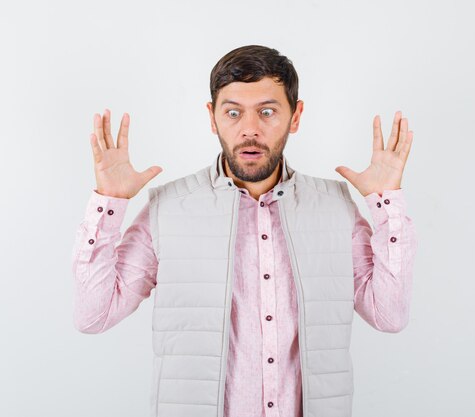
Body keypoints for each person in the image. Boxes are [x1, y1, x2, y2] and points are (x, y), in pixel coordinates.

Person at [71, 44, 417, 417]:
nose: (249, 129)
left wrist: (386, 203)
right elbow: (94, 315)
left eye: (267, 111)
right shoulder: (167, 208)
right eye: (233, 113)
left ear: (295, 116)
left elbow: (388, 315)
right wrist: (109, 202)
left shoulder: (335, 206)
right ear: (213, 117)